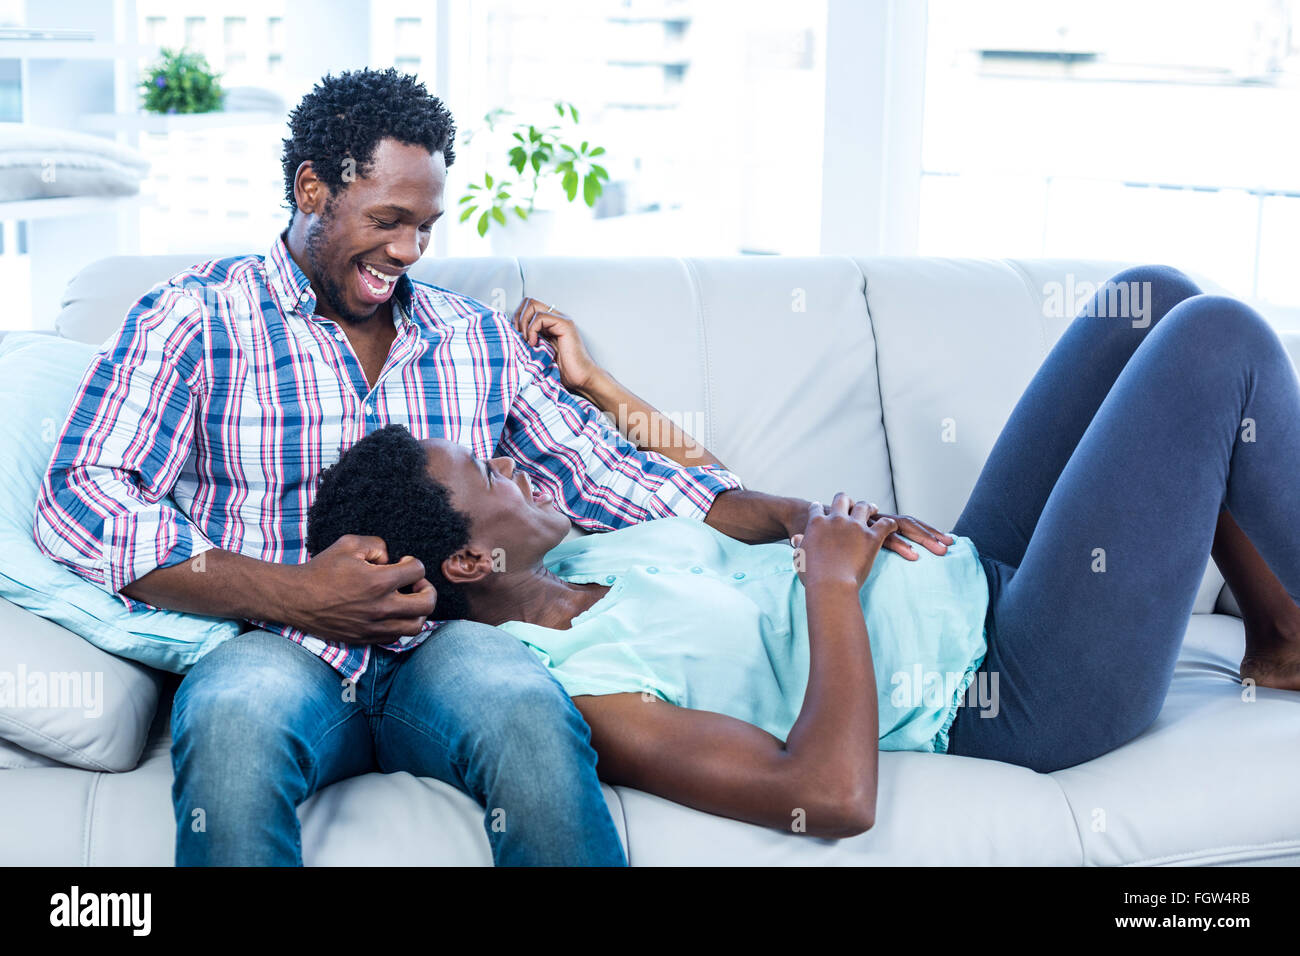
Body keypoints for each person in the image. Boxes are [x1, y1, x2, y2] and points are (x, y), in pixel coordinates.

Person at [35, 68, 930, 865]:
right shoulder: (194, 318)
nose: (408, 252)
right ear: (311, 188)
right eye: (386, 220)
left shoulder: (472, 338)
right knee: (231, 731)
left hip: (452, 645)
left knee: (530, 719)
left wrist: (793, 518)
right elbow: (83, 495)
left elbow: (610, 475)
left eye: (425, 226)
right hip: (274, 644)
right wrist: (291, 592)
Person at [305, 265, 1300, 836]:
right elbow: (825, 797)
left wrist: (600, 385)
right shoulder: (583, 685)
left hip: (972, 572)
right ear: (470, 563)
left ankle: (1279, 632)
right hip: (1011, 684)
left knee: (1150, 298)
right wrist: (831, 581)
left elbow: (708, 490)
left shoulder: (572, 558)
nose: (518, 472)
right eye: (490, 480)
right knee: (1216, 340)